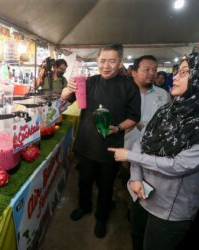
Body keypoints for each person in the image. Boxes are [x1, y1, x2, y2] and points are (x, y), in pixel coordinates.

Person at [108, 49, 199, 250]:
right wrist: (135, 177)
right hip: (142, 192)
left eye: (184, 72)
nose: (174, 76)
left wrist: (129, 156)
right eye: (178, 71)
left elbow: (179, 165)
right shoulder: (168, 110)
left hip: (169, 209)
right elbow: (141, 142)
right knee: (136, 235)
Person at [63, 44, 141, 238]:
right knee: (84, 180)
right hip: (86, 144)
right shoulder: (88, 83)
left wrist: (118, 128)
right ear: (97, 61)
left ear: (120, 63)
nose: (106, 65)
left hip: (111, 147)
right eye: (103, 61)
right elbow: (66, 100)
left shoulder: (128, 85)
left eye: (112, 61)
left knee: (106, 186)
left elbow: (134, 117)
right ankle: (84, 206)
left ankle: (101, 217)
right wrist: (67, 90)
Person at [125, 55, 170, 149]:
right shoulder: (123, 94)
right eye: (147, 69)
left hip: (152, 149)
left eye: (155, 69)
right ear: (134, 73)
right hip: (126, 149)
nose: (152, 73)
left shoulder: (163, 94)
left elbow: (168, 120)